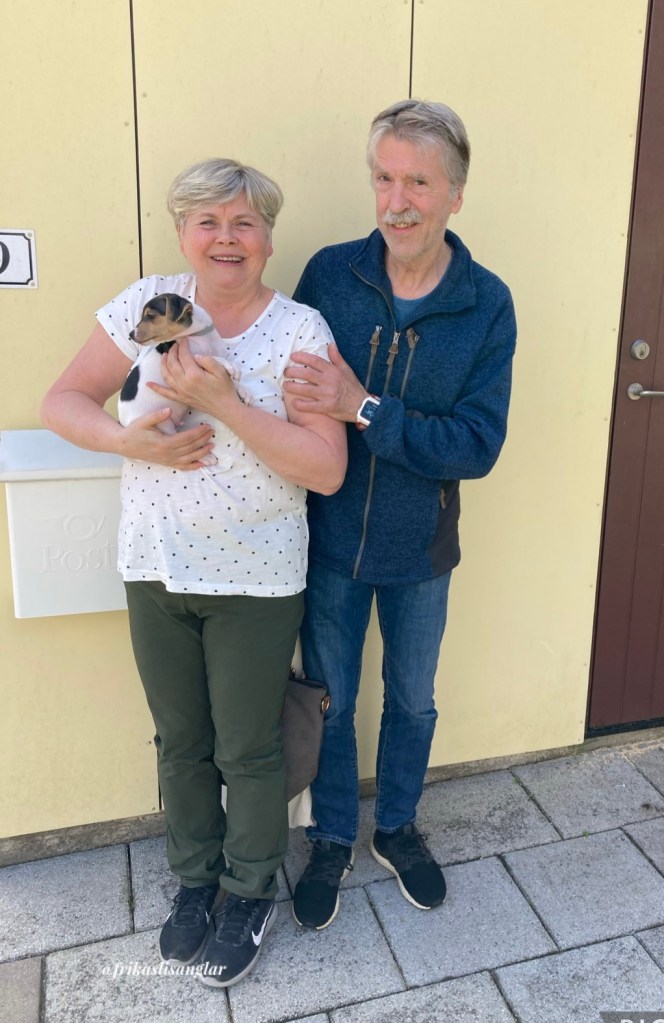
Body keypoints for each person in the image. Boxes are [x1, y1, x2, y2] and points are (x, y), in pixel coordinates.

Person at [41, 158, 347, 985]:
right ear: (182, 232)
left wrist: (223, 405)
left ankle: (249, 890)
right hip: (156, 564)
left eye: (245, 222)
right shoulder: (154, 305)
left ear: (269, 238)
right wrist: (126, 441)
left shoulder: (299, 330)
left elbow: (325, 468)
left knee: (249, 747)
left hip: (255, 576)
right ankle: (195, 880)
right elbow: (64, 400)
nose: (226, 238)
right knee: (180, 740)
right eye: (208, 221)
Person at [282, 99, 517, 930]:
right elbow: (286, 389)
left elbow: (477, 445)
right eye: (384, 178)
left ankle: (397, 825)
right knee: (332, 699)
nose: (398, 201)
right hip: (330, 541)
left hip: (422, 547)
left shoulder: (486, 303)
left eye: (419, 181)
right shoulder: (330, 276)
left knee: (412, 698)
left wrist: (365, 409)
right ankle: (333, 835)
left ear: (456, 192)